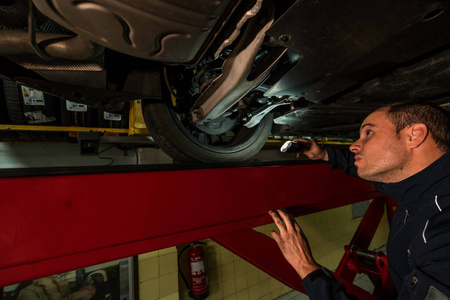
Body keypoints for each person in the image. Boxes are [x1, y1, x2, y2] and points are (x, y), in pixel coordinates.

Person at [269, 102, 450, 299]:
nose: (354, 145)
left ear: (414, 135)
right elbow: (364, 167)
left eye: (368, 133)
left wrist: (306, 266)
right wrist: (324, 154)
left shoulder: (443, 236)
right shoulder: (418, 188)